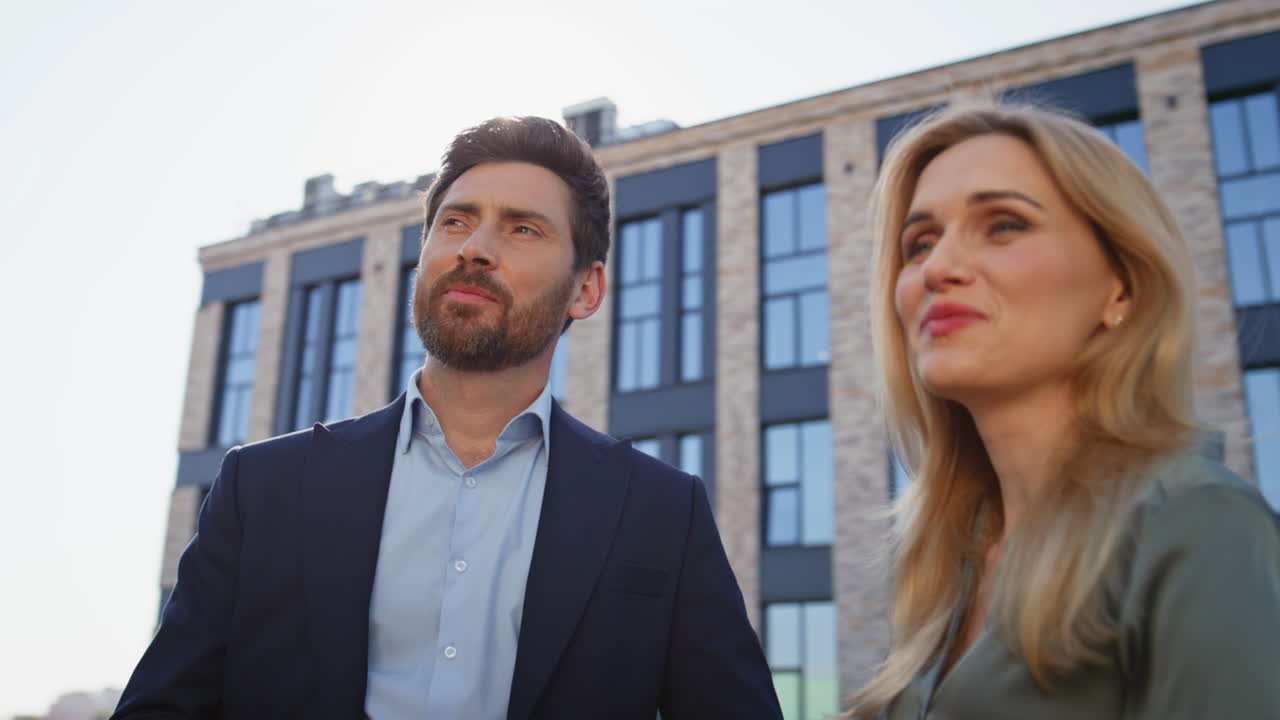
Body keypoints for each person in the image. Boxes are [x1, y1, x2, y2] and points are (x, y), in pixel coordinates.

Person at [113, 116, 782, 720]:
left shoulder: (662, 511)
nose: (475, 248)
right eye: (457, 222)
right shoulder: (262, 488)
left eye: (523, 228)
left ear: (586, 289)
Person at [848, 103, 1280, 719]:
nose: (938, 268)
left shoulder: (1197, 522)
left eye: (1003, 225)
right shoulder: (950, 562)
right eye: (920, 243)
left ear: (1121, 286)